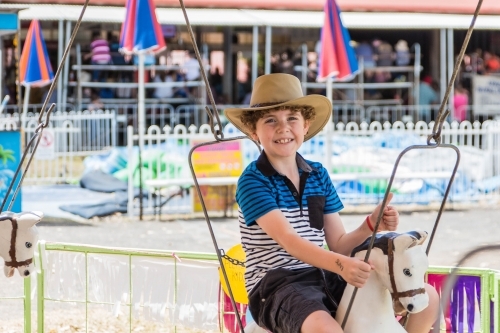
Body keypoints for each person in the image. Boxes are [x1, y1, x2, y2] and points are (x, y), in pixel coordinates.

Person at [223, 73, 439, 333]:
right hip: (275, 285)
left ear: (305, 125)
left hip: (322, 274)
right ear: (253, 131)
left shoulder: (317, 174)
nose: (283, 128)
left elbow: (338, 244)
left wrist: (370, 225)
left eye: (292, 118)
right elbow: (291, 241)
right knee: (326, 329)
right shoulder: (253, 181)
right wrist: (342, 265)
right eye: (271, 120)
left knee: (429, 298)